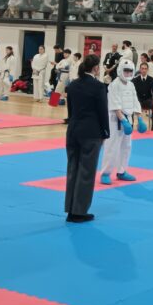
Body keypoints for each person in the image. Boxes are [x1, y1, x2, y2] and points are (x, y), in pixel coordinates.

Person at [64, 54, 110, 223]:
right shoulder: (98, 87)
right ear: (96, 68)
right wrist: (106, 132)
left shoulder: (73, 85)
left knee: (72, 170)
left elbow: (70, 110)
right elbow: (102, 111)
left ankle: (70, 209)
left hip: (73, 130)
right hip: (91, 133)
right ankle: (80, 211)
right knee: (86, 172)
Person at [98, 60, 145, 185]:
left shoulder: (131, 85)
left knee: (126, 147)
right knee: (111, 147)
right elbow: (115, 104)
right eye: (126, 70)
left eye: (130, 71)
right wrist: (123, 120)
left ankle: (121, 171)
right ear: (120, 70)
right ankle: (106, 172)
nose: (128, 73)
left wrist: (139, 118)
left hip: (128, 119)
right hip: (115, 120)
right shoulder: (114, 84)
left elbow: (135, 101)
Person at [132, 61, 153, 131]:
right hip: (137, 101)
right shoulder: (134, 80)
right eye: (142, 68)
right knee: (130, 104)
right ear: (140, 69)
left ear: (147, 70)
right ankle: (131, 124)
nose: (144, 70)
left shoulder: (152, 80)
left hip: (148, 101)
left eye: (145, 69)